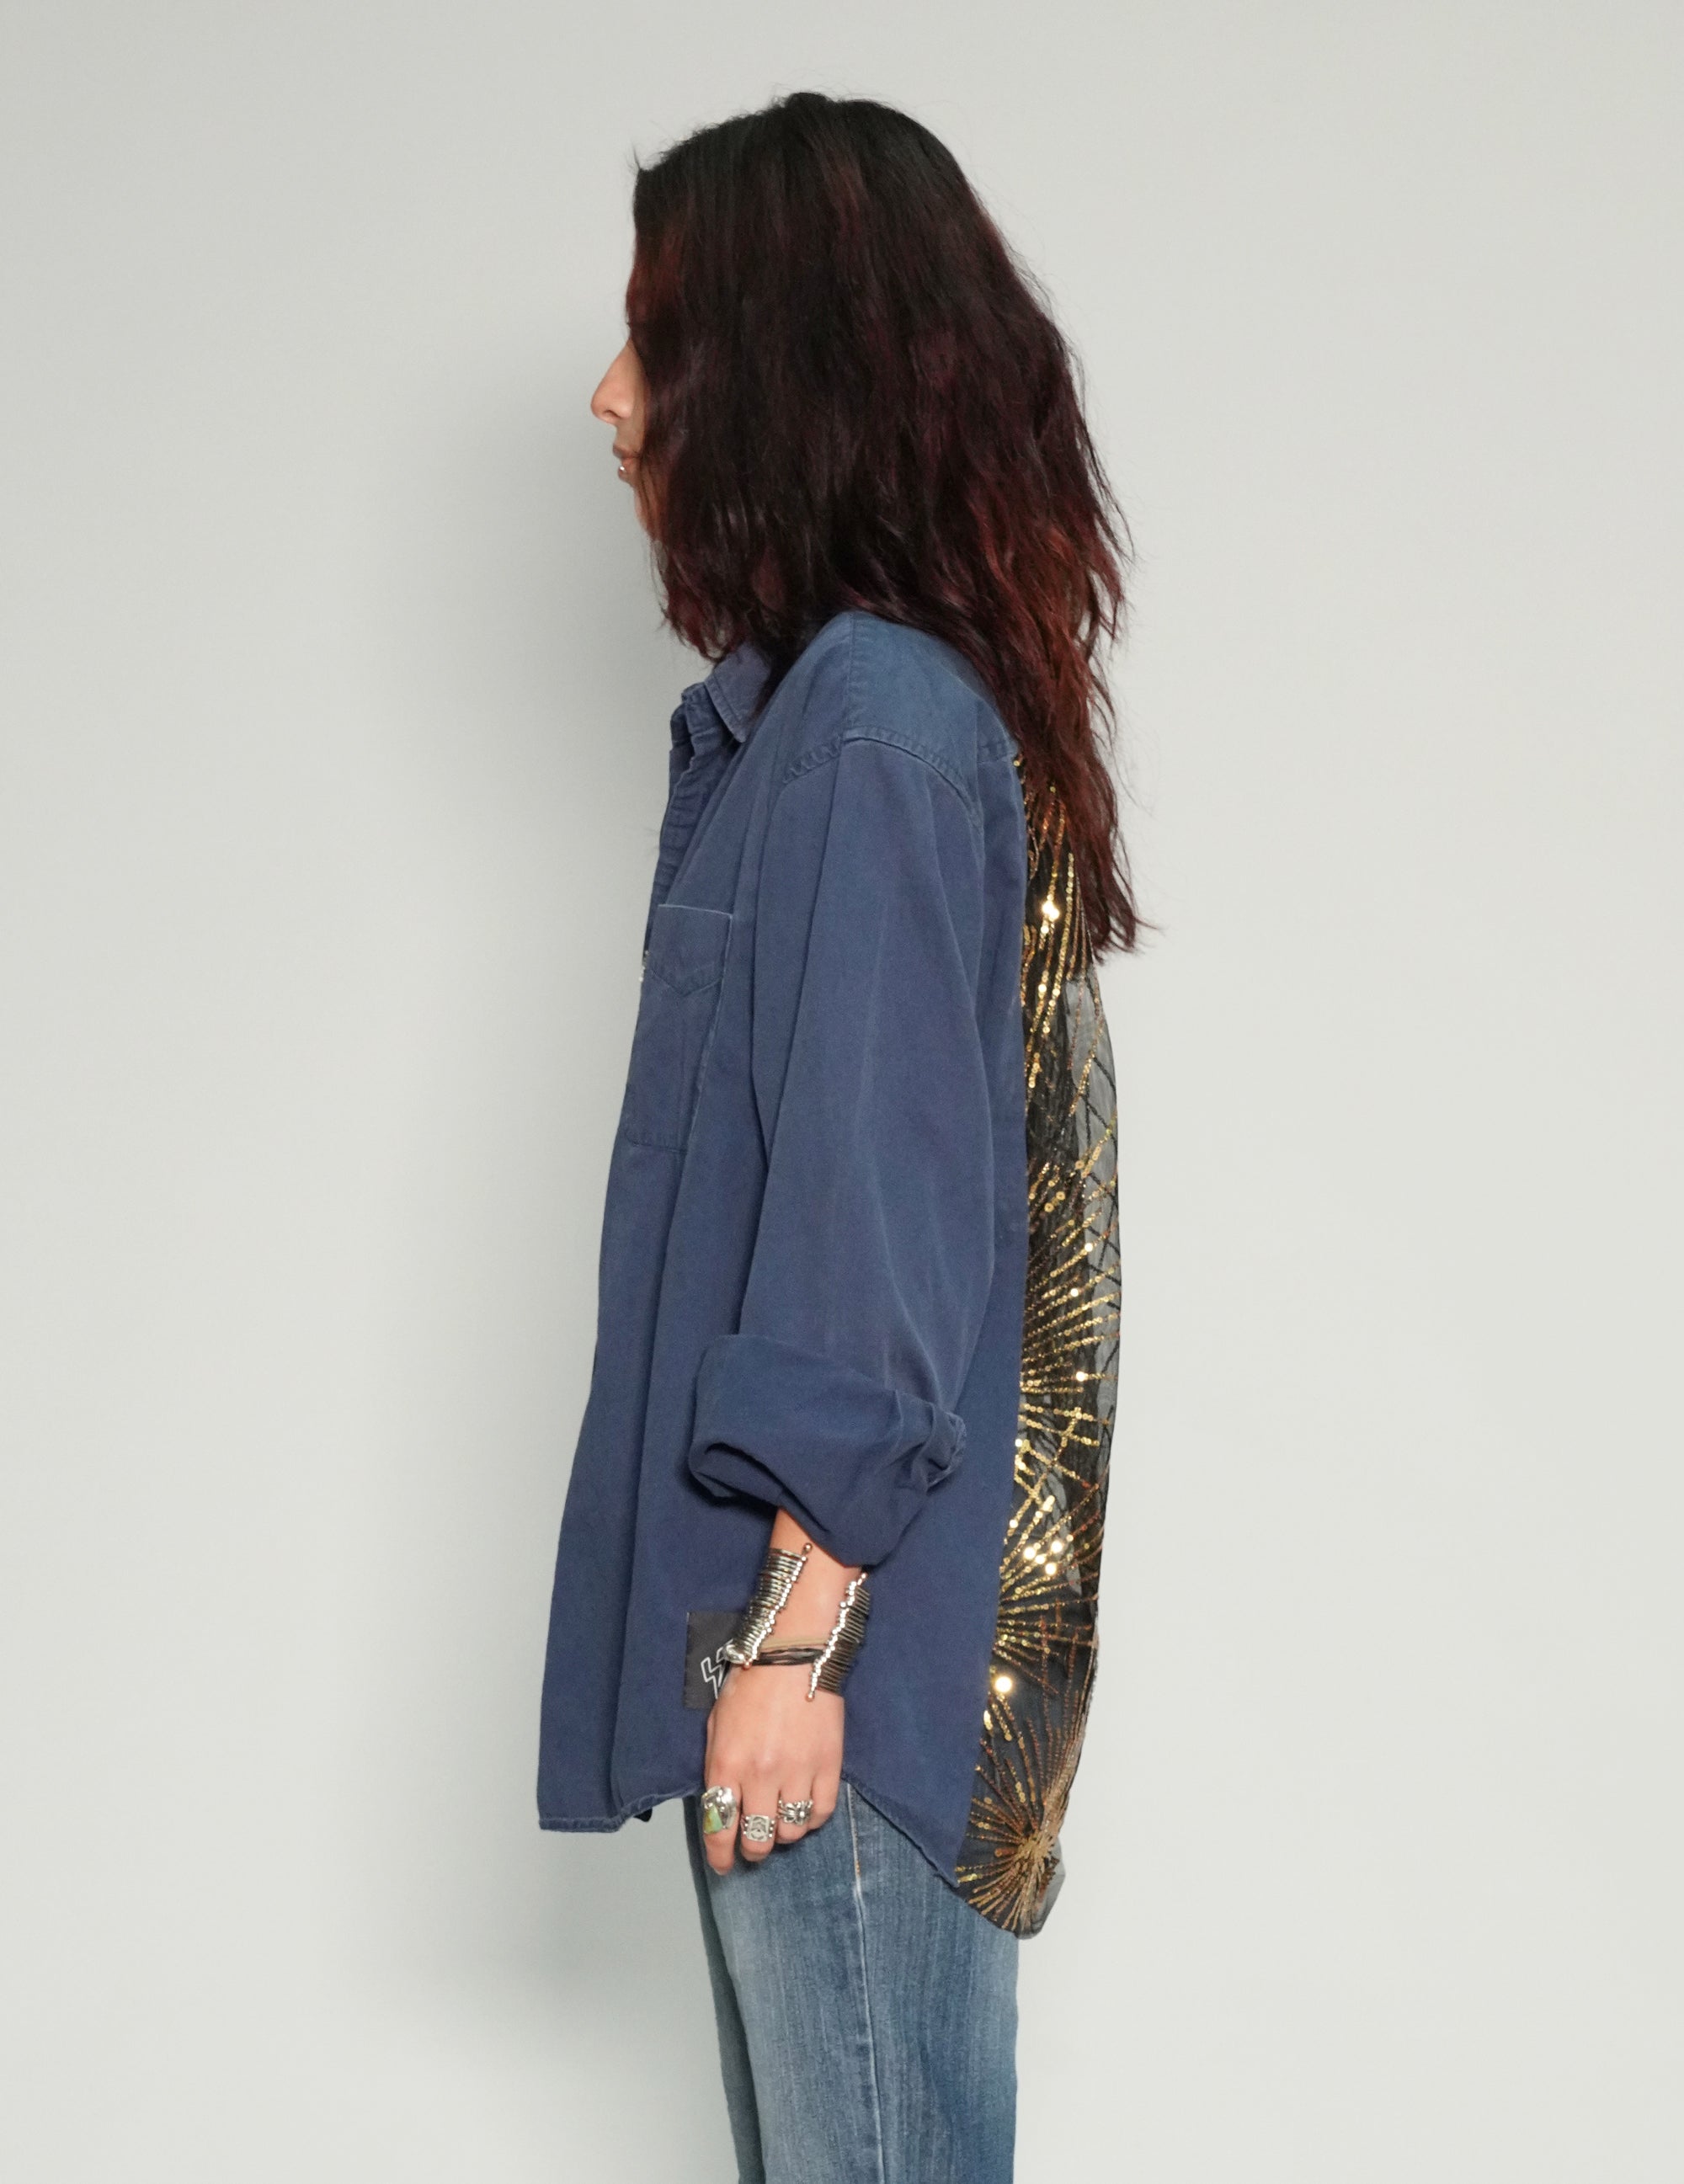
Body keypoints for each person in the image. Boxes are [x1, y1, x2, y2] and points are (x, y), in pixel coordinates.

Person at [538, 91, 1135, 2184]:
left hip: (836, 1666)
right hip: (821, 1649)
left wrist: (799, 1638)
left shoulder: (873, 725)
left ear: (773, 367)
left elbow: (876, 1225)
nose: (610, 398)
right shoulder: (836, 721)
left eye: (653, 337)